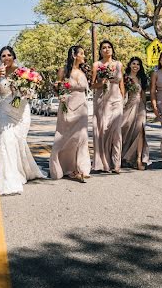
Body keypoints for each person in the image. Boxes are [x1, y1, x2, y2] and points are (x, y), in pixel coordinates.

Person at [0, 46, 46, 195]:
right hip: (3, 111)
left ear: (14, 57)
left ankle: (22, 171)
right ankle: (8, 180)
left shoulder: (23, 72)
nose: (6, 58)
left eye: (9, 55)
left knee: (18, 142)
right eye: (3, 55)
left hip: (21, 111)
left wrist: (27, 89)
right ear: (0, 58)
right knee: (6, 139)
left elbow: (31, 91)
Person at [49, 46, 92, 182]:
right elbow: (57, 90)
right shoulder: (63, 71)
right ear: (74, 55)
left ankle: (81, 168)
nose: (84, 56)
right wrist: (58, 91)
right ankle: (64, 166)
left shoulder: (84, 71)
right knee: (65, 137)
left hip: (82, 108)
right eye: (82, 54)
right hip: (67, 106)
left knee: (82, 137)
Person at [91, 40, 125, 173]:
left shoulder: (118, 64)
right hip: (102, 101)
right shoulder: (96, 65)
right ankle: (104, 162)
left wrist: (123, 98)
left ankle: (117, 163)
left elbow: (121, 83)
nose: (107, 49)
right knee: (104, 131)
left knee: (116, 132)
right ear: (100, 51)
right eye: (104, 48)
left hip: (116, 101)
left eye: (109, 47)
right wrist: (102, 82)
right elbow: (92, 85)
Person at [121, 56, 150, 169]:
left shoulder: (141, 78)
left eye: (138, 64)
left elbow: (142, 93)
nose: (136, 66)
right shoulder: (125, 78)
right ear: (129, 65)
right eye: (134, 63)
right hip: (129, 106)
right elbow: (122, 93)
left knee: (140, 130)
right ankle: (123, 156)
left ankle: (138, 160)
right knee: (125, 129)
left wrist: (145, 108)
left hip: (140, 106)